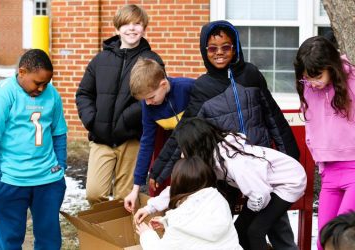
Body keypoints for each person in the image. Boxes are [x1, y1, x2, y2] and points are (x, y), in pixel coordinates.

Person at [149, 20, 300, 249]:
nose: (219, 53)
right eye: (212, 48)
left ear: (235, 47)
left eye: (226, 47)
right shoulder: (203, 86)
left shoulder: (251, 75)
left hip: (259, 168)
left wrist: (291, 154)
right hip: (226, 172)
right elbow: (187, 131)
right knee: (223, 223)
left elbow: (273, 117)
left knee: (277, 224)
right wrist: (159, 171)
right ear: (204, 50)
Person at [136, 117, 307, 250]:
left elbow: (260, 194)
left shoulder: (234, 162)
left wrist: (250, 214)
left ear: (195, 145)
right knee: (240, 229)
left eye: (184, 149)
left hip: (288, 182)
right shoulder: (210, 156)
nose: (182, 154)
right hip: (265, 187)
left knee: (255, 231)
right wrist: (150, 207)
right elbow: (183, 186)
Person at [0, 49, 67, 249]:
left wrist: (60, 167)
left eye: (46, 83)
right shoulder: (0, 96)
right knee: (10, 241)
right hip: (11, 181)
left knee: (50, 241)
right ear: (22, 72)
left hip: (48, 180)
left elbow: (59, 133)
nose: (42, 88)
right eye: (38, 83)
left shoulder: (52, 95)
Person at [75, 4, 164, 205]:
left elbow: (153, 96)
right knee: (94, 193)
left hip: (131, 138)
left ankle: (124, 235)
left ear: (144, 28)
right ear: (117, 29)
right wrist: (92, 120)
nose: (132, 29)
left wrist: (125, 120)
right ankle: (104, 231)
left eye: (137, 24)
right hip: (101, 138)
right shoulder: (100, 59)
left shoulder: (151, 60)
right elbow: (83, 94)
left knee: (125, 198)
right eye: (126, 24)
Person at [293, 36, 355, 250]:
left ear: (332, 66)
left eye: (317, 76)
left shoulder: (352, 81)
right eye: (306, 78)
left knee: (343, 240)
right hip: (328, 172)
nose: (312, 82)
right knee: (322, 242)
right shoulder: (308, 87)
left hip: (354, 170)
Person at [123, 57, 194, 213]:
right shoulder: (148, 105)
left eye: (151, 97)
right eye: (144, 100)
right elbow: (147, 142)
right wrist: (135, 189)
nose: (147, 103)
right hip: (171, 146)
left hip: (196, 145)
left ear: (163, 84)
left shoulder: (188, 87)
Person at [135, 156, 243, 250]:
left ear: (177, 183)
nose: (182, 154)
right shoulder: (218, 199)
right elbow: (199, 225)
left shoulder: (179, 221)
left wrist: (147, 235)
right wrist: (167, 222)